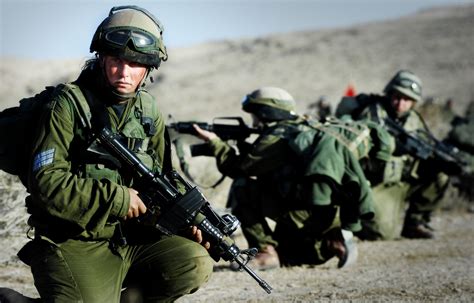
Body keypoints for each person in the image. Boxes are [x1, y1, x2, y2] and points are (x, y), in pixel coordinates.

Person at [16, 6, 213, 302]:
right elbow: (46, 185)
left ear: (148, 68)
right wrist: (120, 199)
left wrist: (191, 219)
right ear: (102, 58)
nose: (124, 73)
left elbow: (167, 177)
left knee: (193, 262)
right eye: (116, 61)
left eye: (135, 64)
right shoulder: (66, 106)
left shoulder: (148, 111)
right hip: (74, 241)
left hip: (133, 239)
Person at [191, 86, 391, 269]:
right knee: (288, 256)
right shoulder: (307, 126)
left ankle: (264, 251)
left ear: (265, 112)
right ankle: (334, 242)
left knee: (242, 186)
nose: (255, 121)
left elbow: (239, 168)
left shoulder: (277, 137)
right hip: (332, 210)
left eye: (255, 115)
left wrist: (215, 143)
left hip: (304, 213)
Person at [336, 70, 450, 240]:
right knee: (381, 233)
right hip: (375, 183)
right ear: (389, 93)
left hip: (402, 180)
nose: (400, 103)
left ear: (413, 102)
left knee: (441, 173)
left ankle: (415, 223)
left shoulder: (414, 119)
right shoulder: (373, 113)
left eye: (407, 100)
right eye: (397, 97)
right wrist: (392, 146)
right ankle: (353, 222)